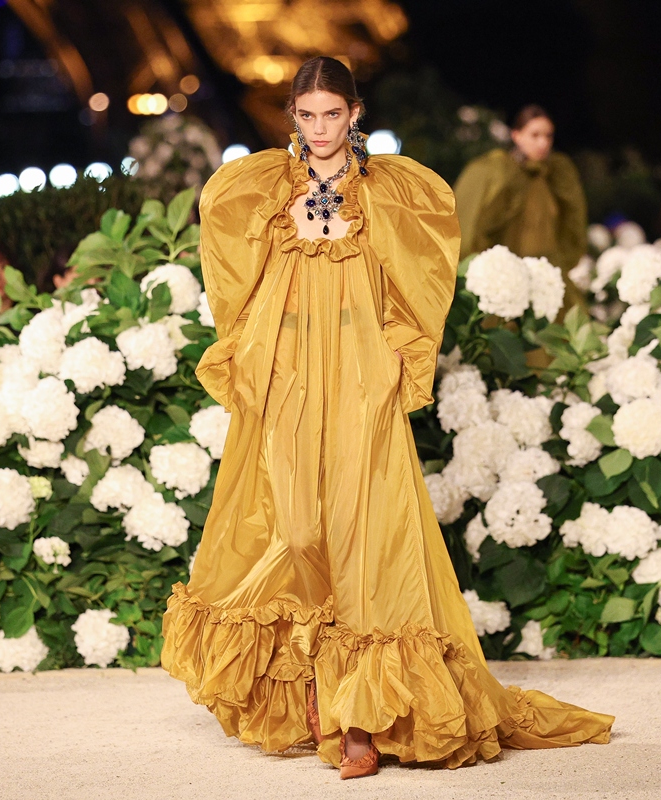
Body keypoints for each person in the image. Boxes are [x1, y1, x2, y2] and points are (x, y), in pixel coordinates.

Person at [160, 55, 613, 781]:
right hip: (289, 379)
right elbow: (236, 282)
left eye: (332, 114)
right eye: (307, 116)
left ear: (355, 114)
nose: (320, 129)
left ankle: (358, 719)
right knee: (296, 532)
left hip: (360, 381)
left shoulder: (393, 192)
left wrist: (398, 360)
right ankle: (317, 683)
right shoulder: (263, 188)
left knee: (363, 543)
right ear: (292, 118)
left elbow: (418, 288)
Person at [453, 105, 588, 316]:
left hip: (546, 280)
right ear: (516, 135)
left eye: (548, 136)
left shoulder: (553, 177)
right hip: (508, 282)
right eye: (535, 135)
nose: (543, 143)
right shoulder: (497, 172)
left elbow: (568, 228)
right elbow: (473, 226)